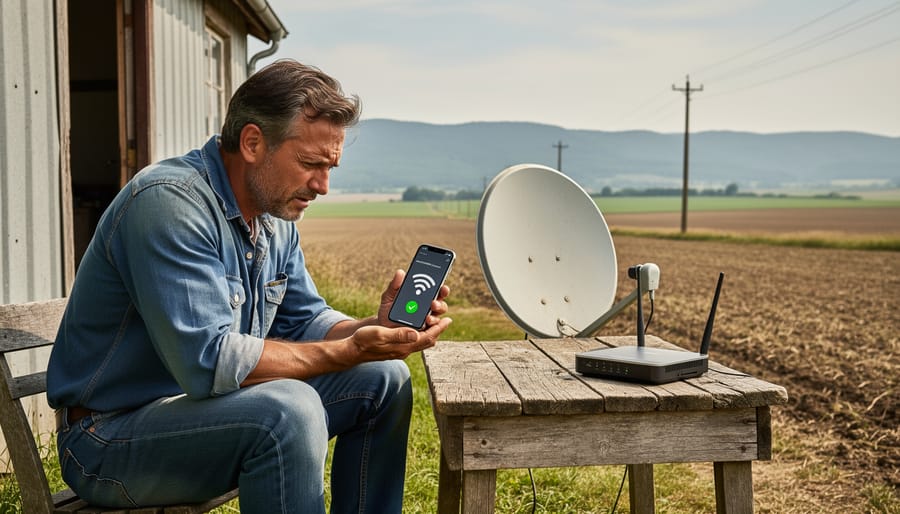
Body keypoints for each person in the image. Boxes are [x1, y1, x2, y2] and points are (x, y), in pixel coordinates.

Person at [47, 59, 452, 514]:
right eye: (310, 164)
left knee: (384, 378)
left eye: (331, 167)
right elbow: (208, 361)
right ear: (254, 142)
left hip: (208, 417)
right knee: (289, 410)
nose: (322, 186)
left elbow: (307, 321)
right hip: (109, 441)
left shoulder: (273, 219)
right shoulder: (168, 203)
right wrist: (348, 350)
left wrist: (371, 329)